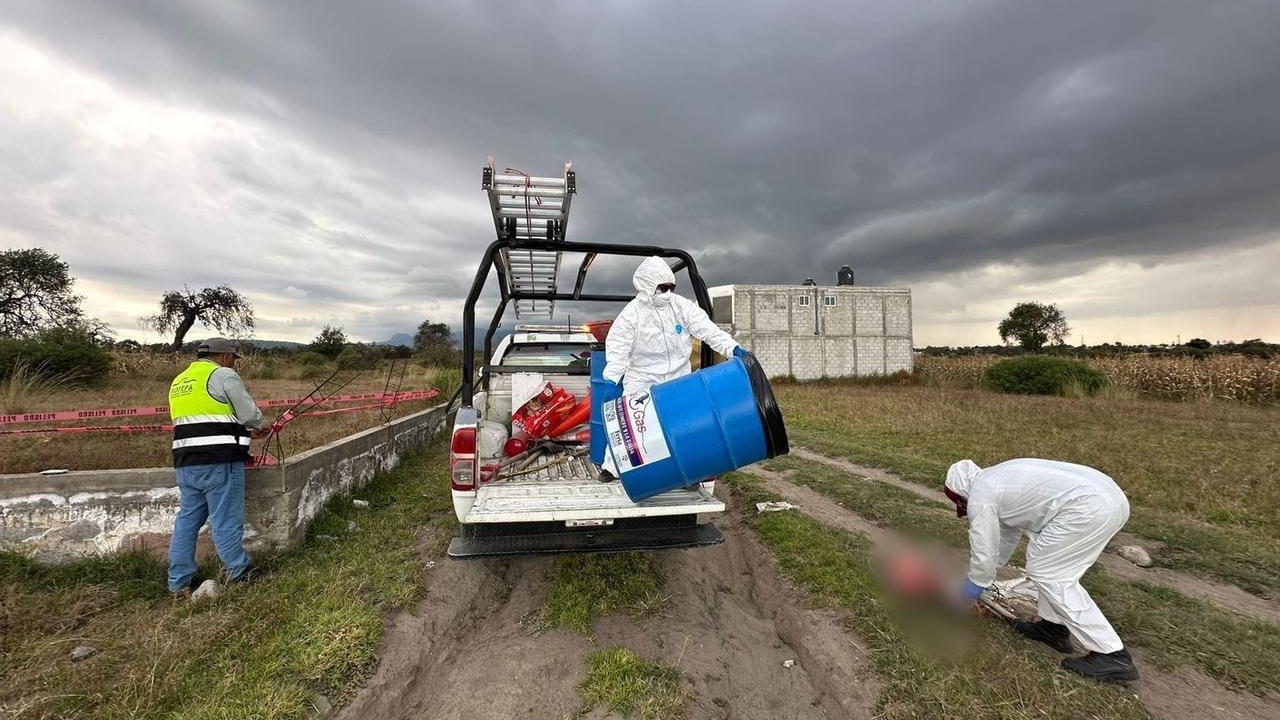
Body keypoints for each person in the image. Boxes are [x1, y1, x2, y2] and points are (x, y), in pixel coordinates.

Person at [945, 458, 1139, 682]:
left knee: (1049, 573)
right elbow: (1005, 535)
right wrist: (988, 574)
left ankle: (1112, 654)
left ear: (960, 494)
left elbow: (984, 546)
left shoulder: (981, 495)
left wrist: (976, 584)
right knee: (1049, 567)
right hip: (1106, 499)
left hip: (1088, 507)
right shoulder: (993, 480)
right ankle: (1053, 629)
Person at [598, 256, 747, 481]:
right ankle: (612, 467)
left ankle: (690, 469)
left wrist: (733, 349)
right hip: (643, 376)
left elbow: (708, 330)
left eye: (671, 287)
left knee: (687, 423)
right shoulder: (631, 315)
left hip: (678, 375)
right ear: (647, 286)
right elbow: (618, 350)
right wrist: (611, 379)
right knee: (630, 425)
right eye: (662, 287)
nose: (667, 292)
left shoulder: (681, 306)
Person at [166, 337, 272, 596]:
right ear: (225, 357)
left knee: (188, 521)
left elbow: (204, 422)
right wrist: (261, 425)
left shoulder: (180, 381)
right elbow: (247, 414)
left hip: (186, 462)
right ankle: (238, 572)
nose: (234, 365)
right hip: (219, 461)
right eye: (234, 360)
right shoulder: (223, 375)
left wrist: (244, 436)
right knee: (226, 519)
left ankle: (178, 582)